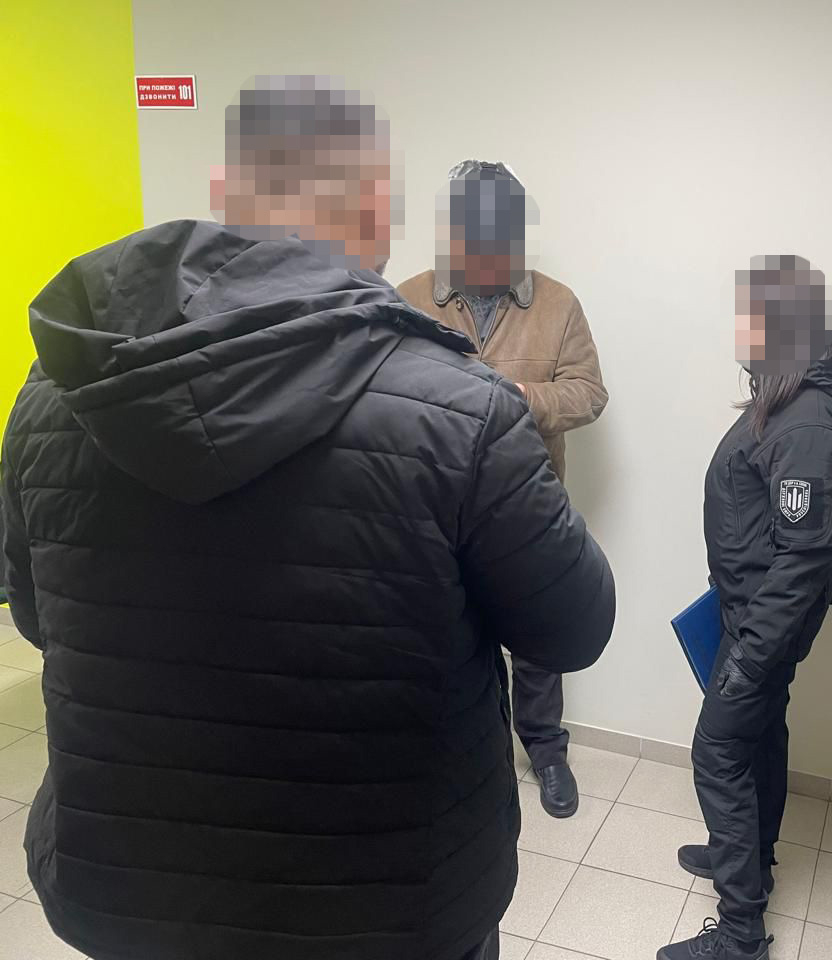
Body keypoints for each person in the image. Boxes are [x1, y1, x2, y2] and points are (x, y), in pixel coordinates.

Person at [0, 76, 615, 960]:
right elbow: (576, 624)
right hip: (389, 907)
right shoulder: (461, 408)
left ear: (226, 190)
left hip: (134, 893)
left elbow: (35, 618)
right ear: (379, 211)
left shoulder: (54, 394)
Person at [661, 256, 832, 960]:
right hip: (751, 619)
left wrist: (749, 656)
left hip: (762, 629)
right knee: (760, 739)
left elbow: (803, 559)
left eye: (751, 317)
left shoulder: (807, 421)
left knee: (716, 752)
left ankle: (741, 934)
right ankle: (750, 858)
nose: (739, 330)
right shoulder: (790, 401)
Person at [398, 161, 608, 819]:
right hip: (433, 506)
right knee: (441, 634)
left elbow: (589, 393)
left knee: (537, 637)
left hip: (528, 504)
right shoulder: (407, 297)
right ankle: (449, 753)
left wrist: (518, 397)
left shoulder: (558, 303)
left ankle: (545, 749)